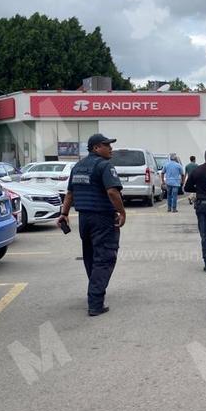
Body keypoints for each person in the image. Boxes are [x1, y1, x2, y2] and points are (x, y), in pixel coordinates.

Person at [57, 133, 126, 317]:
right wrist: (122, 212)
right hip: (102, 219)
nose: (110, 148)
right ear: (96, 148)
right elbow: (112, 192)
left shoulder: (78, 167)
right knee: (104, 258)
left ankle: (94, 289)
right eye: (107, 145)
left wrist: (64, 214)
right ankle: (95, 302)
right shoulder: (104, 166)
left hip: (84, 219)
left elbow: (70, 193)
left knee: (91, 256)